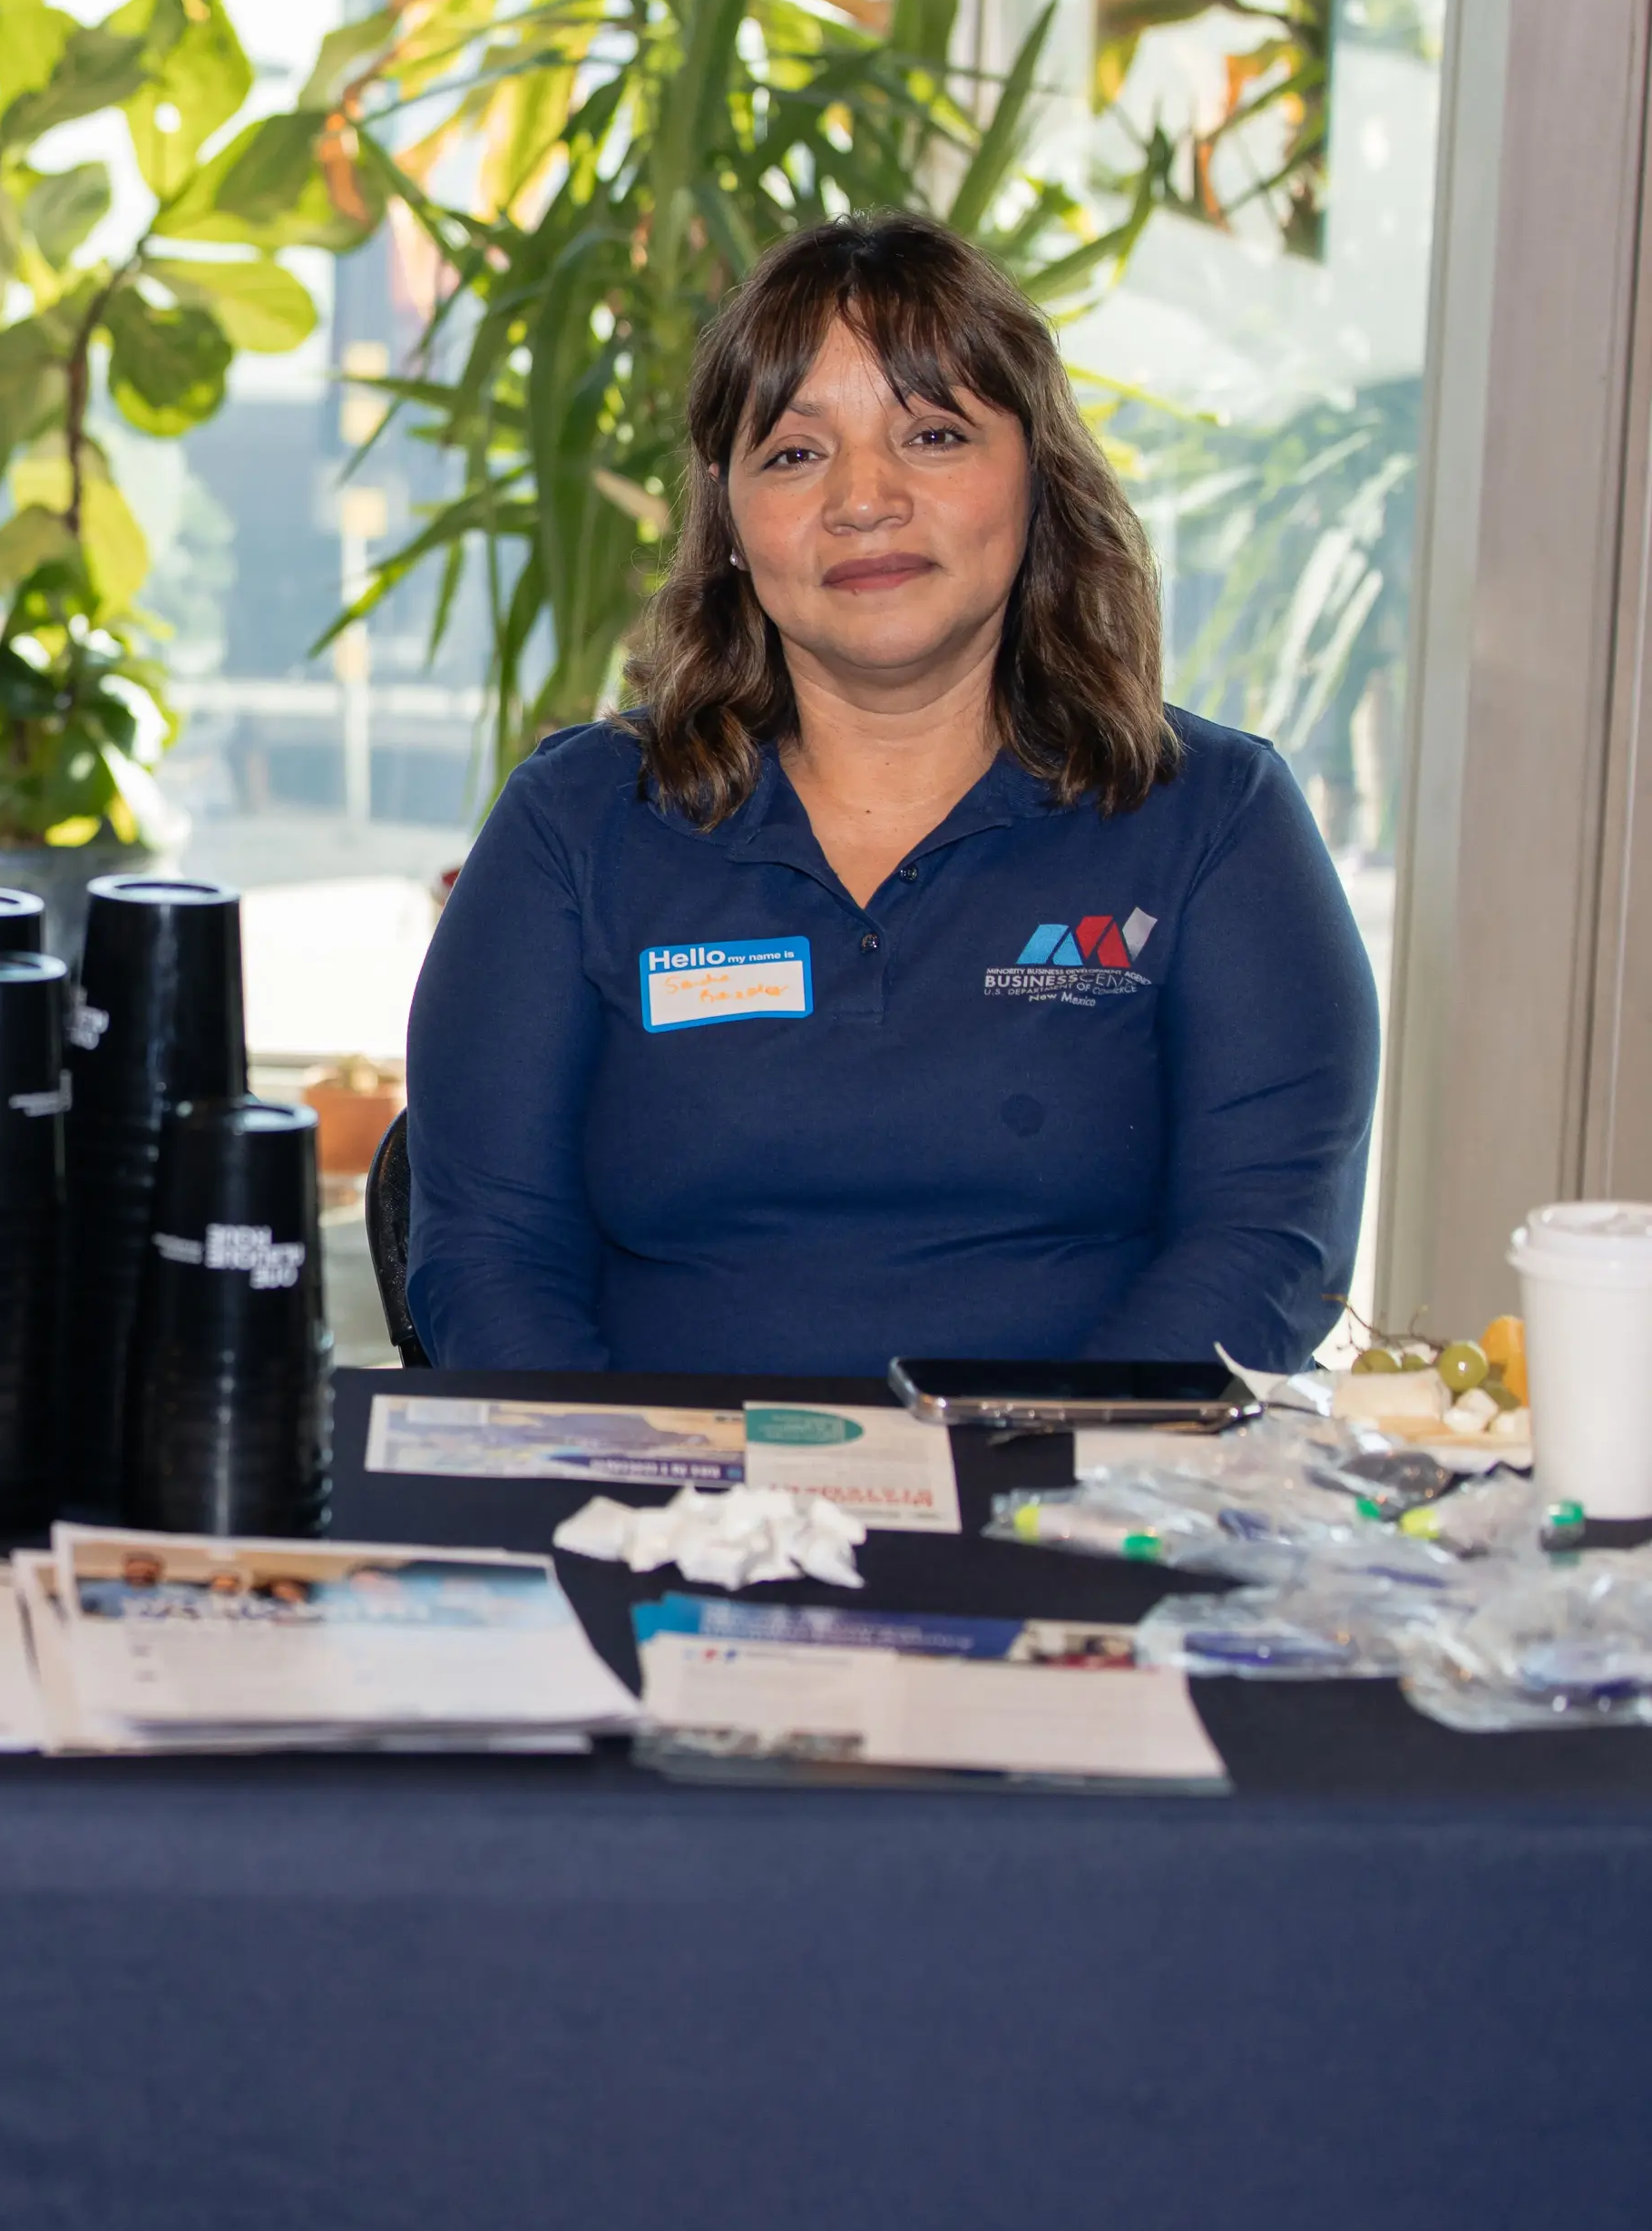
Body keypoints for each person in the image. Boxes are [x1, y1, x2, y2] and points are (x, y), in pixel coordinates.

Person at [400, 212, 1378, 1377]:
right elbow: (488, 1253)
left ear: (1038, 477)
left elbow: (1265, 1249)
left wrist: (1031, 1485)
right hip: (663, 1518)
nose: (863, 499)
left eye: (932, 433)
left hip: (1083, 1516)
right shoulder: (576, 824)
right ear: (727, 516)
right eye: (796, 453)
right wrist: (647, 1497)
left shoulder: (1210, 818)